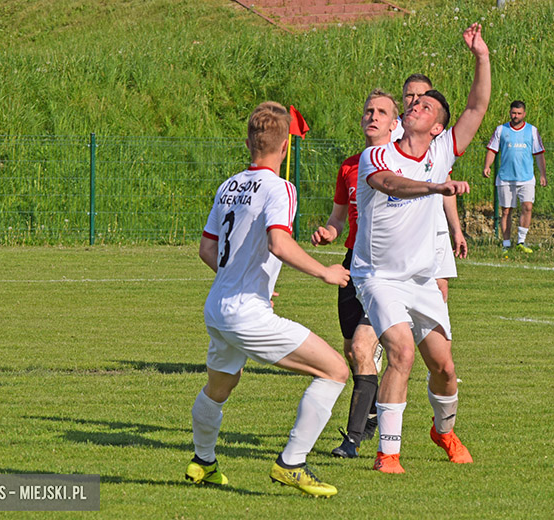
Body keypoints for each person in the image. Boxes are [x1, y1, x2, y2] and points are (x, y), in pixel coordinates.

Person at [186, 101, 350, 498]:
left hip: (218, 306)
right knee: (335, 371)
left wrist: (245, 280)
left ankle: (203, 462)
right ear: (285, 147)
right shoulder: (280, 188)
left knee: (219, 389)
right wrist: (325, 271)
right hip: (245, 312)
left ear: (248, 143)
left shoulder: (229, 185)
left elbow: (208, 251)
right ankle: (291, 463)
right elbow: (279, 242)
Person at [352, 23, 490, 474]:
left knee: (445, 369)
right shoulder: (379, 152)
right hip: (378, 276)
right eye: (412, 101)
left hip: (421, 278)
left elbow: (477, 106)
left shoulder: (443, 150)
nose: (415, 106)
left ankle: (444, 431)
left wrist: (480, 56)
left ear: (437, 127)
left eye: (425, 105)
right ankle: (387, 454)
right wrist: (434, 187)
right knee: (401, 353)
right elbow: (389, 183)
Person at [311, 89, 399, 459]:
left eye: (381, 112)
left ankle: (352, 439)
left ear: (395, 124)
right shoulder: (349, 166)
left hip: (385, 268)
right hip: (352, 264)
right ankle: (374, 411)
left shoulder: (402, 165)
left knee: (364, 348)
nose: (372, 116)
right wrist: (328, 232)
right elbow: (338, 217)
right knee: (352, 350)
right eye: (368, 111)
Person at [392, 73, 468, 302]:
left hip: (435, 228)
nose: (414, 100)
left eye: (421, 96)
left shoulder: (440, 136)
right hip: (401, 230)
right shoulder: (390, 131)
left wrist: (456, 229)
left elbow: (446, 187)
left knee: (438, 292)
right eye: (409, 95)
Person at [482, 100, 547, 253]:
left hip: (526, 178)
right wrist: (487, 166)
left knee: (527, 207)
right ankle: (506, 244)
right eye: (513, 113)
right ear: (510, 113)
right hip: (506, 178)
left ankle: (521, 242)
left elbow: (539, 154)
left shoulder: (532, 130)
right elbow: (492, 150)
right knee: (506, 211)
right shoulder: (501, 130)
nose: (515, 116)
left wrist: (542, 174)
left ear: (524, 114)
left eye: (519, 113)